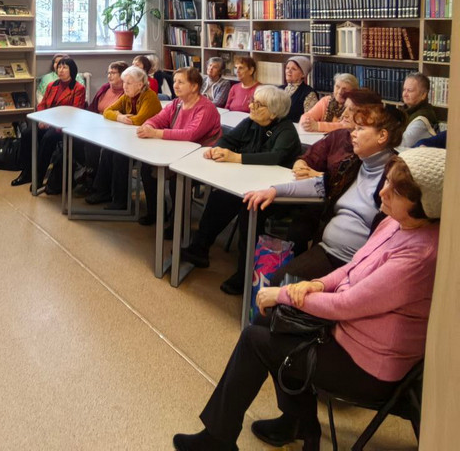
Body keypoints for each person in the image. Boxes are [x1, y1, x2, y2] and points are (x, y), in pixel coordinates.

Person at [172, 146, 444, 451]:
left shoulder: (420, 254)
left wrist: (285, 293)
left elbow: (346, 305)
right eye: (387, 181)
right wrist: (316, 284)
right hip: (347, 333)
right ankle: (295, 423)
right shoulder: (395, 222)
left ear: (424, 205)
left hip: (368, 365)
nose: (383, 192)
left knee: (257, 338)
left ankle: (220, 439)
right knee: (269, 320)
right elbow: (352, 268)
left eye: (396, 191)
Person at [244, 102, 407, 286]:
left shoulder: (393, 179)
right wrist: (274, 190)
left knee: (286, 288)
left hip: (359, 265)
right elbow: (320, 185)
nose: (352, 134)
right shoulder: (354, 164)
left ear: (382, 136)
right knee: (281, 282)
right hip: (327, 251)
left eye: (360, 129)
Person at [180, 85, 301, 294]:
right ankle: (199, 249)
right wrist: (217, 149)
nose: (250, 106)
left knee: (249, 209)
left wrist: (236, 157)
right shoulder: (250, 122)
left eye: (258, 104)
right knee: (220, 198)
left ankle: (245, 273)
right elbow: (228, 139)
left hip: (275, 192)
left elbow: (275, 157)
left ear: (273, 112)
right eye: (252, 101)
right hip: (247, 182)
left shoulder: (287, 131)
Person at [136, 67, 222, 226]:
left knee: (178, 180)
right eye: (175, 81)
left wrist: (156, 133)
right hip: (177, 152)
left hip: (200, 157)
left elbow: (191, 134)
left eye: (180, 82)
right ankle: (155, 212)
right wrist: (148, 126)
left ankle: (178, 224)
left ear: (194, 86)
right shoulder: (176, 103)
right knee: (147, 168)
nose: (175, 85)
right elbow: (157, 119)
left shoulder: (206, 108)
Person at [84, 66, 161, 209]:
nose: (124, 86)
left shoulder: (149, 97)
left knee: (120, 156)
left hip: (148, 142)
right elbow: (107, 111)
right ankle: (104, 191)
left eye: (129, 83)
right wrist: (120, 117)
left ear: (140, 85)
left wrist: (124, 118)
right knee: (108, 151)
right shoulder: (127, 96)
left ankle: (121, 200)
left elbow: (138, 120)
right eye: (124, 82)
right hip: (131, 138)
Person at [11, 56, 86, 191]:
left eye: (65, 67)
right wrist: (42, 119)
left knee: (48, 138)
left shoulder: (78, 88)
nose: (61, 70)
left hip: (63, 126)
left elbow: (75, 112)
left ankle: (39, 177)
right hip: (47, 121)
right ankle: (27, 172)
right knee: (27, 133)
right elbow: (42, 104)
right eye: (59, 67)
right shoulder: (52, 85)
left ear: (72, 70)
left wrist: (51, 123)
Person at [73, 60, 128, 194]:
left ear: (123, 75)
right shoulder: (105, 88)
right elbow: (93, 108)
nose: (109, 76)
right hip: (97, 124)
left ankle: (93, 179)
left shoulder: (126, 94)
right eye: (108, 73)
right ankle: (88, 172)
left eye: (113, 73)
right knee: (75, 139)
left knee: (92, 144)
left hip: (113, 130)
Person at [399, 72, 438, 148]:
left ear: (423, 95)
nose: (405, 94)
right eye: (404, 90)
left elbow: (402, 144)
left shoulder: (422, 120)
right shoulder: (404, 111)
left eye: (410, 90)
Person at [281, 55, 318, 123]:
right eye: (287, 68)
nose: (288, 71)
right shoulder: (278, 89)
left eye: (293, 69)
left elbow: (309, 121)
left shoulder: (309, 94)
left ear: (303, 74)